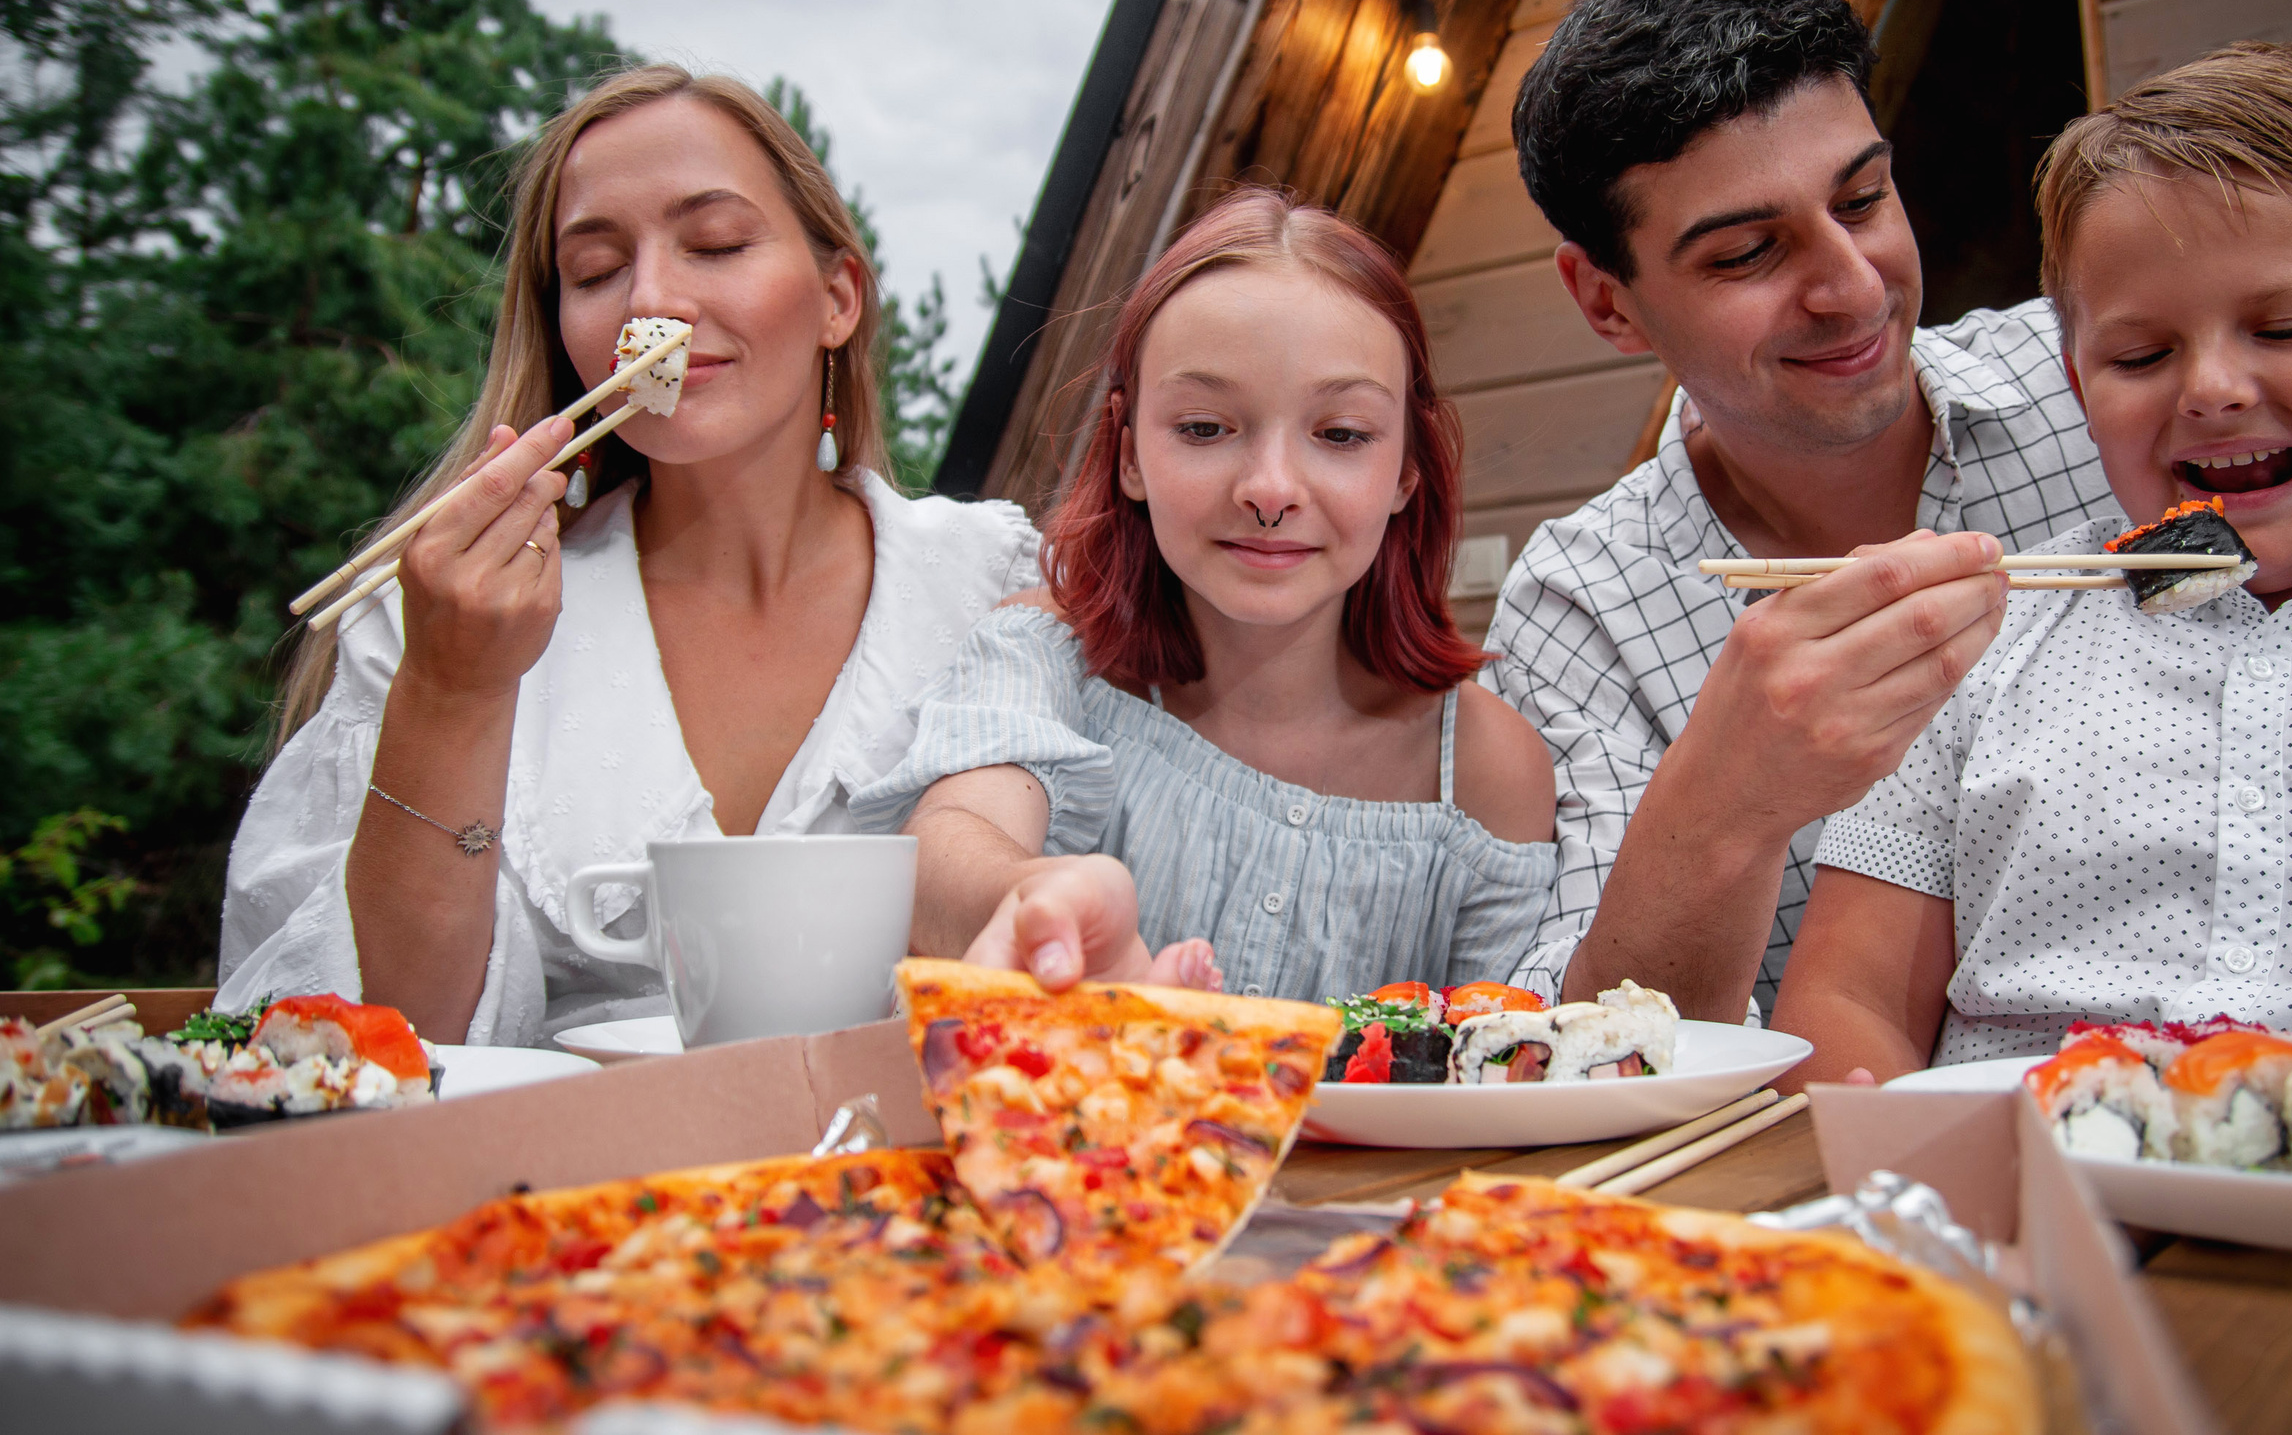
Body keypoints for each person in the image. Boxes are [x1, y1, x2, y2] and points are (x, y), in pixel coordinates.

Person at [216, 65, 1042, 1047]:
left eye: (716, 242)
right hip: (540, 1189)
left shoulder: (994, 587)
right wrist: (455, 692)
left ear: (837, 297)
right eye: (598, 270)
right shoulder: (436, 616)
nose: (651, 300)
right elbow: (369, 1045)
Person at [1774, 42, 2292, 1073]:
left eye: (2285, 326)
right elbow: (1848, 996)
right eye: (2141, 355)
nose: (2213, 388)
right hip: (2020, 1186)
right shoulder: (1977, 632)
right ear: (2076, 379)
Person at [1486, 0, 2119, 1022]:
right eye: (1747, 252)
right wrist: (1729, 797)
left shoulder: (2105, 378)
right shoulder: (1584, 605)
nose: (1854, 286)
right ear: (1608, 303)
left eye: (1863, 198)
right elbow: (1585, 1045)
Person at [859, 188, 1559, 1002]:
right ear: (1128, 456)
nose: (1270, 490)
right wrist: (1032, 906)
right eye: (1203, 428)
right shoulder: (1043, 655)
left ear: (1406, 469)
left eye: (1340, 435)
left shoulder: (1487, 770)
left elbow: (1506, 1067)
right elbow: (954, 836)